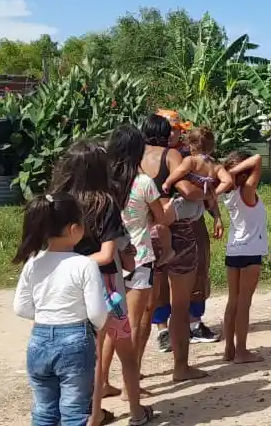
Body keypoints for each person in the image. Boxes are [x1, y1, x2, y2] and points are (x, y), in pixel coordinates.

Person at [50, 141, 153, 426]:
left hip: (69, 289)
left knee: (86, 356)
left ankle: (90, 413)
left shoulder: (57, 203)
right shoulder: (104, 202)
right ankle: (134, 412)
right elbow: (111, 255)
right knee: (126, 352)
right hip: (107, 287)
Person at [13, 193, 107, 426]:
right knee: (74, 411)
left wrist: (48, 317)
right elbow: (97, 313)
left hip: (39, 340)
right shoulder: (85, 264)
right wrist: (94, 326)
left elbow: (21, 307)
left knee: (44, 410)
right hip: (75, 339)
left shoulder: (32, 262)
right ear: (74, 229)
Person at [140, 113, 215, 382]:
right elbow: (186, 190)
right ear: (164, 131)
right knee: (180, 305)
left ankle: (133, 372)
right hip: (177, 231)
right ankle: (180, 367)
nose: (178, 135)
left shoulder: (134, 157)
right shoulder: (170, 156)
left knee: (144, 307)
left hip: (144, 233)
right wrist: (209, 192)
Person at [108, 125, 169, 378]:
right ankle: (128, 384)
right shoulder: (143, 182)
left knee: (111, 325)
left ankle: (102, 382)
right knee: (134, 324)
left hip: (110, 257)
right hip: (139, 258)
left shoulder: (105, 183)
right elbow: (161, 217)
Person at [220, 151, 267, 364]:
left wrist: (226, 173)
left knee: (233, 301)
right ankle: (241, 351)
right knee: (244, 304)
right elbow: (257, 158)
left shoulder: (228, 193)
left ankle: (229, 349)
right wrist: (232, 171)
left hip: (234, 250)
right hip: (250, 251)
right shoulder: (247, 191)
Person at [161, 126, 233, 224]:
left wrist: (167, 182)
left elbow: (180, 171)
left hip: (186, 202)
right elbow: (228, 181)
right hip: (201, 207)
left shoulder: (191, 160)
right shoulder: (216, 166)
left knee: (161, 218)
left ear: (192, 146)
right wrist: (214, 193)